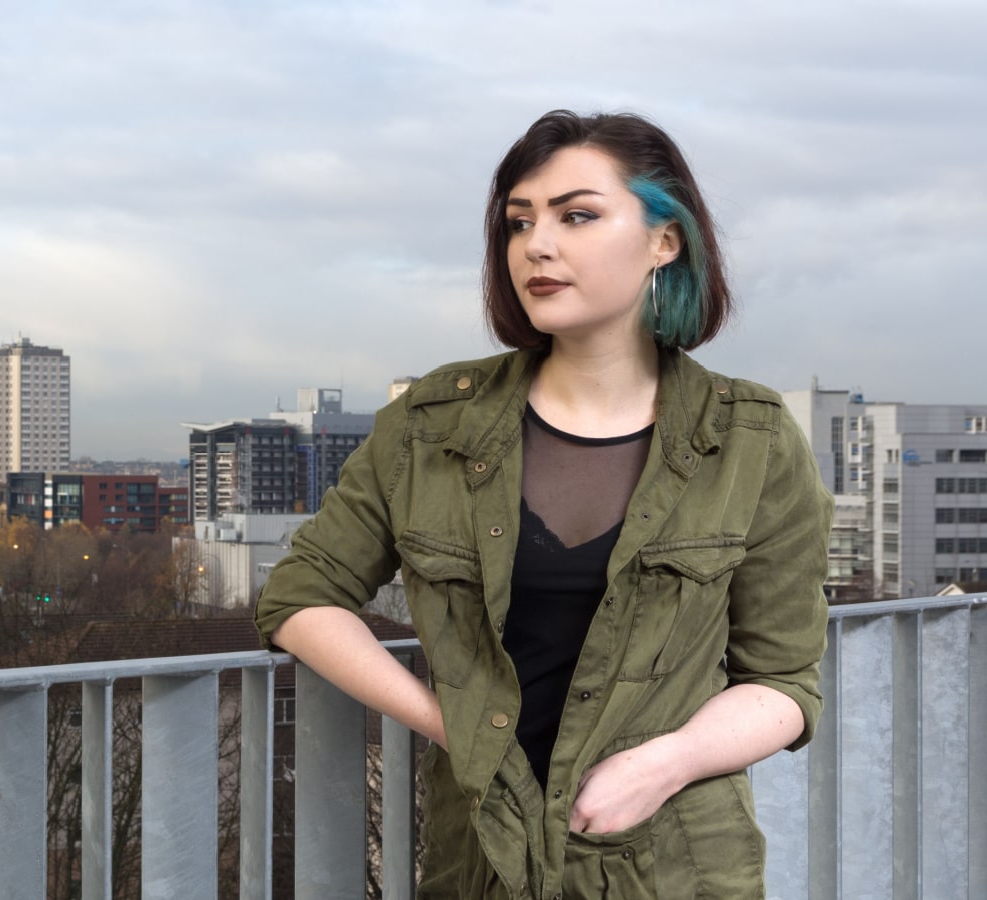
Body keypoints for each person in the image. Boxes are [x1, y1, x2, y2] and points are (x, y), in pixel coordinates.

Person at [254, 110, 832, 898]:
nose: (537, 245)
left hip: (674, 867)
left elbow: (785, 682)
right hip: (482, 861)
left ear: (667, 240)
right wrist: (449, 721)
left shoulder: (751, 440)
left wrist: (663, 765)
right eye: (519, 222)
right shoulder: (433, 424)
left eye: (578, 215)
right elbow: (300, 594)